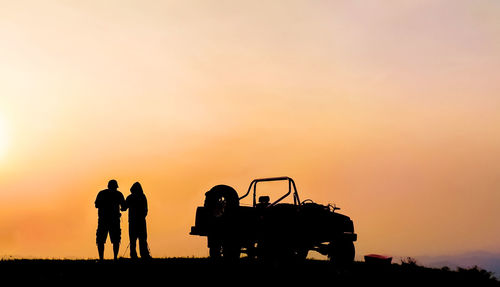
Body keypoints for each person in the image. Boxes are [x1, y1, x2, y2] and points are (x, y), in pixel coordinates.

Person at [95, 179, 126, 260]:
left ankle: (101, 258)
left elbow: (96, 205)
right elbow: (124, 207)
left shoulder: (102, 193)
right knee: (115, 240)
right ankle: (115, 257)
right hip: (114, 221)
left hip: (103, 220)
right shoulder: (118, 194)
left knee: (101, 240)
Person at [124, 182, 151, 259]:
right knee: (142, 239)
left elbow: (124, 208)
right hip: (141, 221)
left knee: (133, 239)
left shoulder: (130, 197)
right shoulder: (142, 196)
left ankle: (133, 255)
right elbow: (146, 209)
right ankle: (144, 254)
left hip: (132, 221)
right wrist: (142, 216)